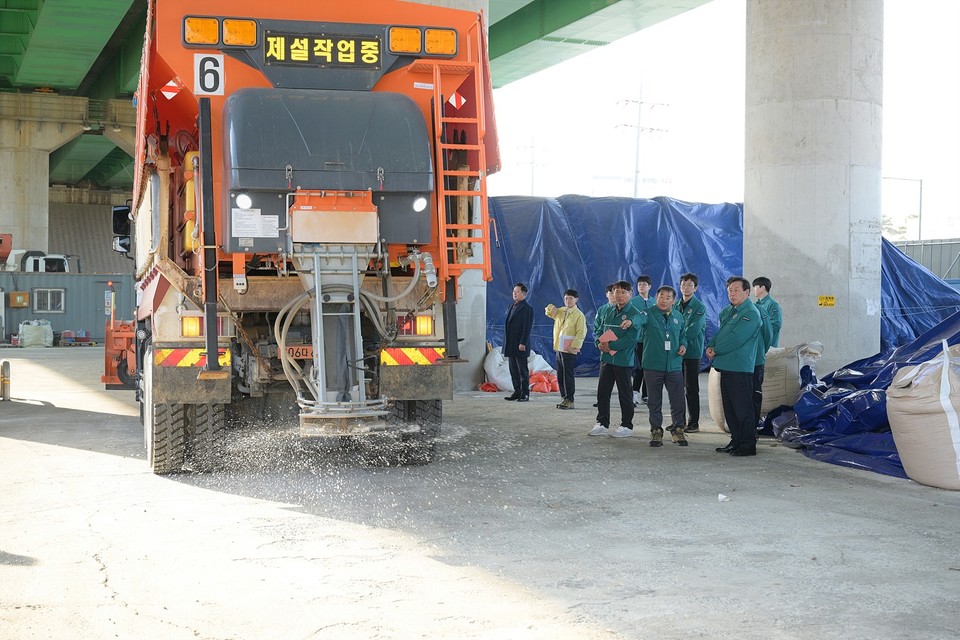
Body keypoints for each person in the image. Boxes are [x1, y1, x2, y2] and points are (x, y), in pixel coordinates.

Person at [706, 277, 762, 457]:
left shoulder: (750, 313)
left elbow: (737, 338)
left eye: (736, 290)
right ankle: (736, 440)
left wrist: (717, 349)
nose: (732, 293)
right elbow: (721, 333)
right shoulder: (731, 311)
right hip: (726, 365)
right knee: (730, 407)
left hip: (739, 367)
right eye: (730, 290)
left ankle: (747, 444)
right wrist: (711, 345)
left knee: (743, 408)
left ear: (747, 292)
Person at [636, 285, 689, 447]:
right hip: (653, 365)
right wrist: (630, 321)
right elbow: (639, 320)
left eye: (668, 297)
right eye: (661, 296)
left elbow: (683, 335)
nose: (664, 300)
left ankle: (678, 429)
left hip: (674, 365)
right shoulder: (648, 313)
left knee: (678, 399)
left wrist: (683, 345)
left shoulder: (678, 316)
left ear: (673, 300)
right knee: (654, 400)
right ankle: (656, 430)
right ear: (656, 297)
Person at [588, 281, 641, 437]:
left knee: (625, 393)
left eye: (623, 292)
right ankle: (602, 423)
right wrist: (599, 342)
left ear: (630, 295)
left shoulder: (634, 313)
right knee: (603, 392)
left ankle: (627, 425)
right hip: (606, 358)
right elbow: (598, 329)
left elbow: (631, 339)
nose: (619, 295)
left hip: (623, 360)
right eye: (616, 292)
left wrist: (611, 345)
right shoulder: (608, 311)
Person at [675, 273, 707, 433]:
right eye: (683, 284)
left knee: (691, 388)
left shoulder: (699, 307)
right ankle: (678, 421)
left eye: (689, 285)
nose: (686, 287)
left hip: (692, 353)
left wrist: (681, 341)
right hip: (676, 353)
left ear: (695, 288)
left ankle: (693, 422)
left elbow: (693, 330)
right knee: (677, 387)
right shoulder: (675, 306)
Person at [545, 289, 588, 410]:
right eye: (566, 298)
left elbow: (581, 333)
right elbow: (549, 312)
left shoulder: (579, 315)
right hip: (559, 348)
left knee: (567, 375)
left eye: (570, 298)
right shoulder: (561, 311)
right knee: (560, 374)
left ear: (576, 300)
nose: (568, 300)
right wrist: (551, 307)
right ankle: (564, 397)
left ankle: (570, 399)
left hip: (569, 350)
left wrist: (574, 346)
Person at [503, 282, 533, 402]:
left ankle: (525, 393)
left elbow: (527, 327)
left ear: (524, 294)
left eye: (517, 292)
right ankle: (517, 391)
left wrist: (523, 343)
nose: (514, 294)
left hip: (520, 344)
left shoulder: (527, 309)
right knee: (513, 369)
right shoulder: (512, 306)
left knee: (522, 370)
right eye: (513, 291)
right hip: (510, 344)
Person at [629, 275, 653, 405]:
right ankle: (634, 392)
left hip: (651, 341)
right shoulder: (632, 302)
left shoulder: (654, 302)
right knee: (639, 367)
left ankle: (646, 394)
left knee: (649, 367)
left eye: (644, 284)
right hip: (638, 340)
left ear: (649, 287)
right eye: (639, 285)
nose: (641, 287)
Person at [752, 277, 782, 347]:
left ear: (762, 288)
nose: (753, 290)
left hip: (768, 346)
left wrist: (760, 332)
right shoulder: (755, 305)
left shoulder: (772, 305)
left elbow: (776, 325)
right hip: (756, 345)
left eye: (755, 287)